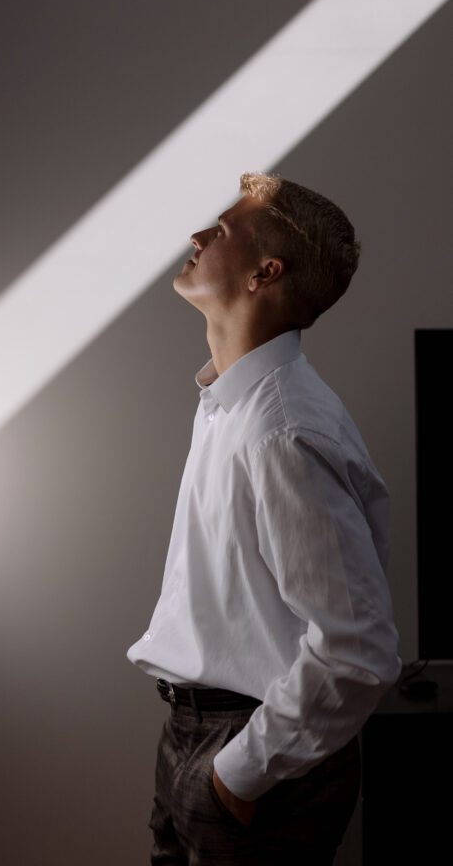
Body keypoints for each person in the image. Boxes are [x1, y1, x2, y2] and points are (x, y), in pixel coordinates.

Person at [127, 172, 401, 865]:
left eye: (219, 231)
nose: (195, 236)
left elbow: (358, 649)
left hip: (252, 759)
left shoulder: (280, 431)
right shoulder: (232, 406)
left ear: (263, 272)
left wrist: (237, 773)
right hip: (196, 735)